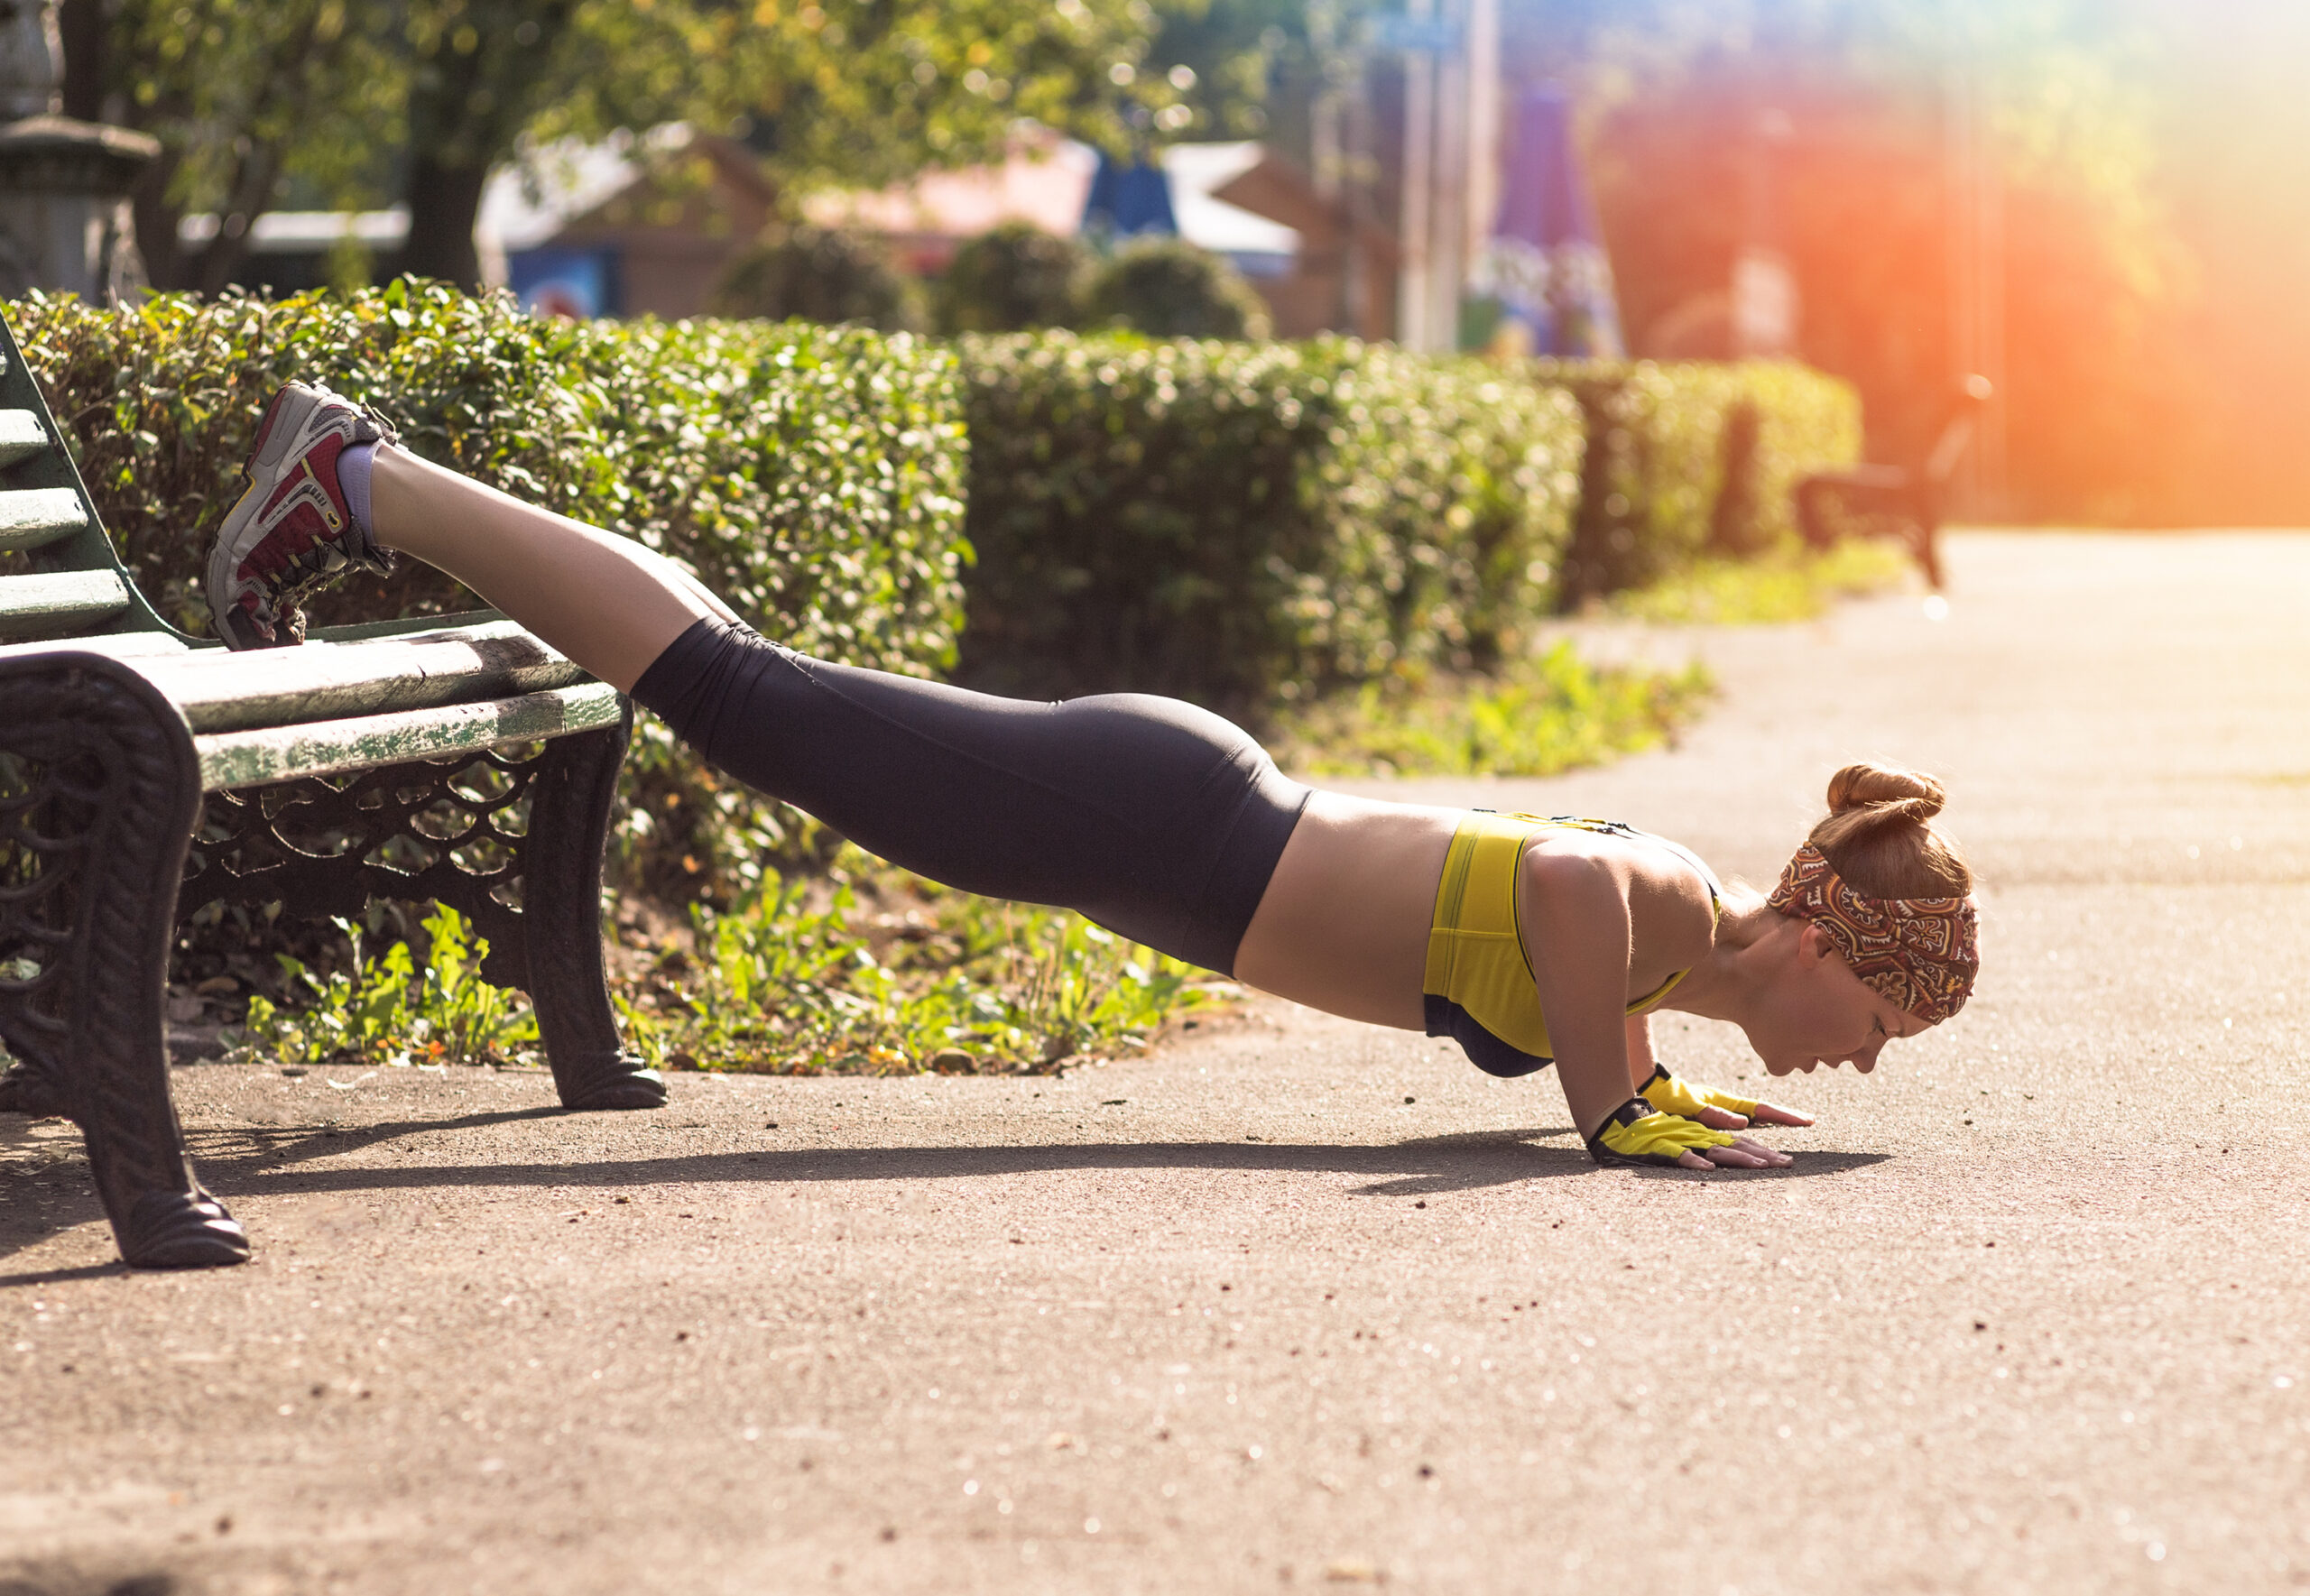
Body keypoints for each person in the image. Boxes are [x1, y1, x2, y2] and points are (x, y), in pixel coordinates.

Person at [206, 383, 1982, 1173]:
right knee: (741, 692)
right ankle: (363, 483)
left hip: (1165, 823)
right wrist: (1609, 1104)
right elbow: (1555, 887)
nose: (1865, 1058)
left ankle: (372, 484)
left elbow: (1574, 943)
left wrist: (1647, 1076)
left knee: (749, 677)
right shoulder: (1667, 899)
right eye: (1884, 1020)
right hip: (1161, 820)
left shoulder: (1676, 959)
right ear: (1823, 938)